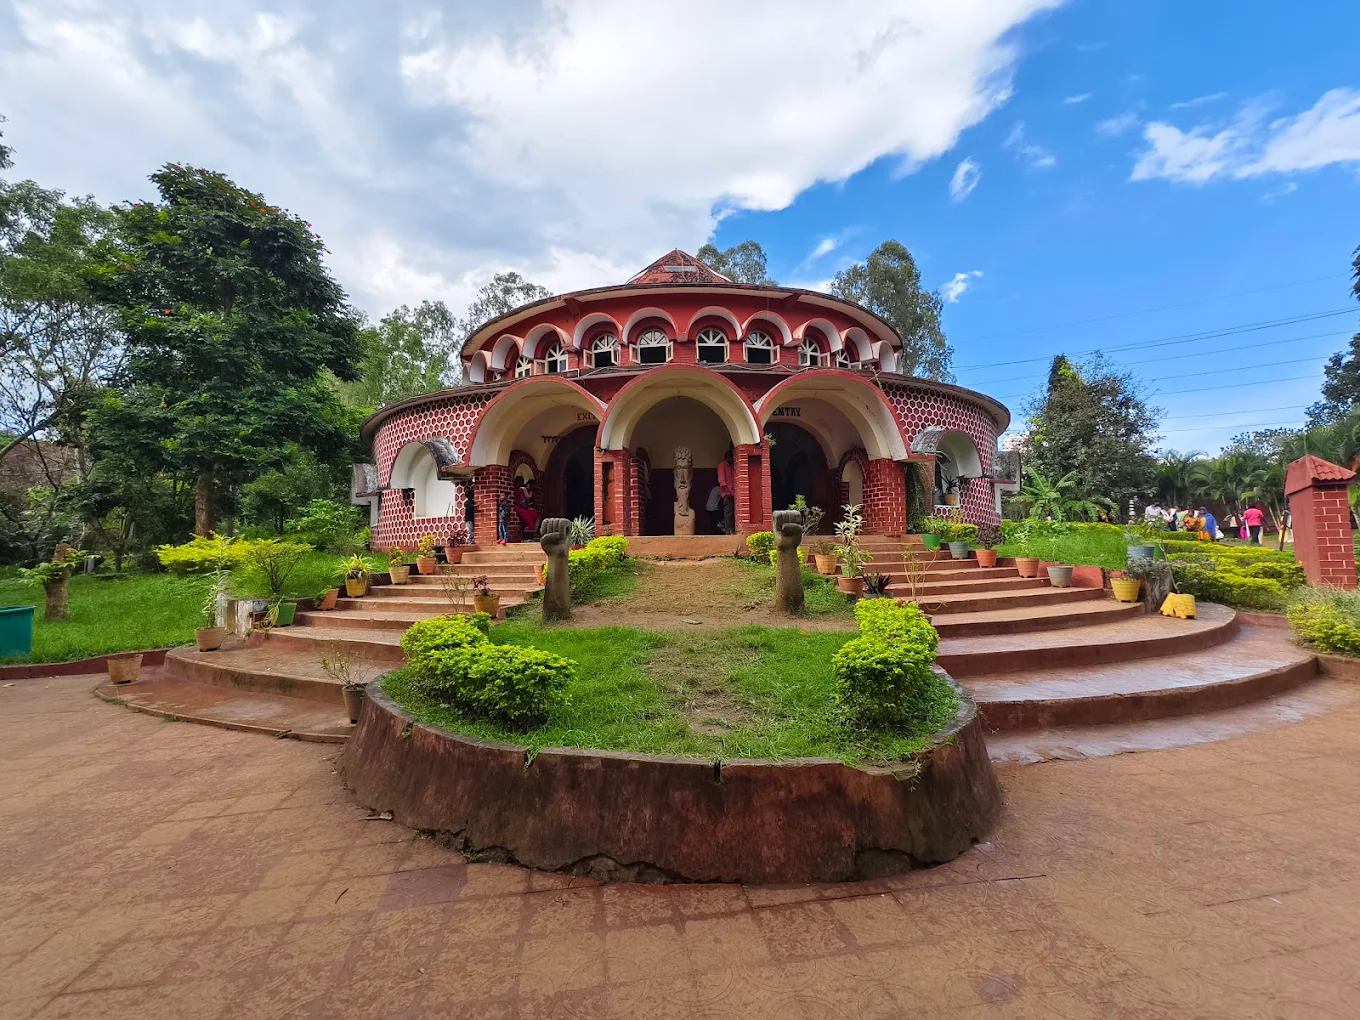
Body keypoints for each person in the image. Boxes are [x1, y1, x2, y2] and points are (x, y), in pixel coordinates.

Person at [717, 448, 735, 535]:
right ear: (728, 457)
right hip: (727, 493)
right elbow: (722, 481)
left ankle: (722, 524)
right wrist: (728, 492)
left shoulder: (731, 467)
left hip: (733, 493)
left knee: (732, 511)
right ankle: (728, 529)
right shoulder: (722, 466)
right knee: (728, 511)